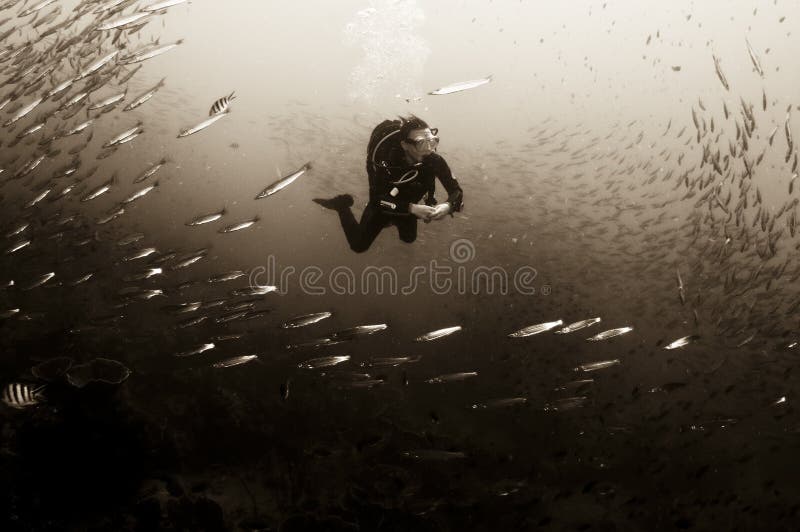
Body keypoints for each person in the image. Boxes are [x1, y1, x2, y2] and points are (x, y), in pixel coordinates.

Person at [314, 115, 464, 253]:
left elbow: (456, 191)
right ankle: (342, 205)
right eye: (421, 143)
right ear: (405, 145)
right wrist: (412, 208)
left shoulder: (434, 160)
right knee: (358, 246)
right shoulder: (384, 160)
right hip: (385, 201)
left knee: (408, 238)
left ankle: (394, 218)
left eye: (433, 141)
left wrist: (448, 206)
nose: (429, 149)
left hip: (408, 202)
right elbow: (377, 200)